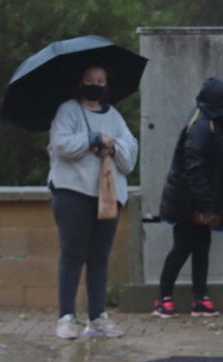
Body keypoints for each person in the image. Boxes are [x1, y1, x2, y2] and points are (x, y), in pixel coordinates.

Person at [46, 65, 137, 340]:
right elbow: (61, 145)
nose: (95, 84)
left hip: (107, 196)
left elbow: (130, 151)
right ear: (80, 82)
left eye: (100, 80)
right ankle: (66, 317)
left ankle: (97, 316)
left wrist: (112, 147)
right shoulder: (68, 111)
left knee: (99, 257)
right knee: (72, 254)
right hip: (73, 193)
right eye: (89, 80)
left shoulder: (115, 117)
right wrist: (91, 139)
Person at [156, 77, 223, 319]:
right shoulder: (199, 127)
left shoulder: (213, 124)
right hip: (187, 204)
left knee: (201, 248)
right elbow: (195, 168)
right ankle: (163, 297)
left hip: (200, 201)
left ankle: (200, 297)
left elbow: (215, 157)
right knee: (182, 248)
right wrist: (207, 205)